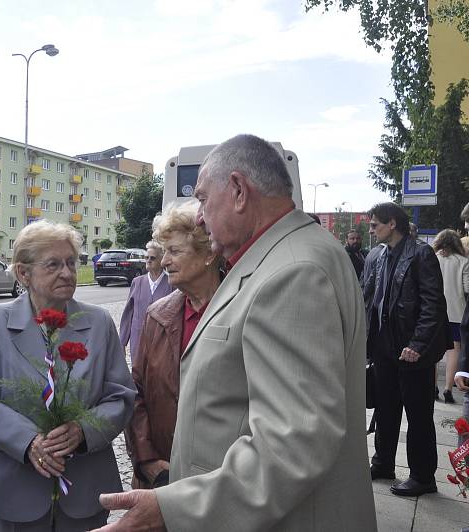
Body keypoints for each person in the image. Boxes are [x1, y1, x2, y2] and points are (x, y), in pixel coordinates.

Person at [94, 134, 376, 532]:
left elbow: (291, 444)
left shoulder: (291, 272)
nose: (198, 217)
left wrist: (176, 508)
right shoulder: (284, 255)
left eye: (204, 200)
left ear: (240, 191)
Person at [0, 219, 135, 532]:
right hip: (14, 489)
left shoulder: (98, 323)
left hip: (85, 490)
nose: (67, 273)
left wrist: (83, 431)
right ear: (23, 273)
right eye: (53, 264)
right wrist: (27, 442)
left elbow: (121, 396)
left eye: (71, 262)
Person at [124, 203, 221, 491]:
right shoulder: (158, 315)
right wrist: (146, 459)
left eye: (174, 251)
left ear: (209, 254)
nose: (164, 261)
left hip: (221, 478)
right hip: (161, 476)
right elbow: (136, 391)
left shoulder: (242, 309)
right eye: (163, 252)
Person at [363, 202, 451, 497]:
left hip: (412, 351)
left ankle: (423, 476)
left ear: (392, 224)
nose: (371, 230)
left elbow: (433, 305)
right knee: (385, 409)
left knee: (418, 414)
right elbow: (370, 301)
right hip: (384, 348)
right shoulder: (377, 255)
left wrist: (418, 344)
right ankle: (383, 462)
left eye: (375, 225)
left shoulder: (420, 253)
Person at [118, 240, 172, 364]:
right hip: (138, 341)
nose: (148, 260)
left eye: (152, 258)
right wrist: (122, 342)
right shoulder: (137, 282)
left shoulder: (171, 283)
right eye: (146, 257)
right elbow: (128, 314)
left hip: (162, 343)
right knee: (138, 377)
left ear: (162, 260)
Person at [432, 229, 469, 404]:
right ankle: (448, 389)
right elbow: (467, 288)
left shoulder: (432, 259)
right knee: (454, 350)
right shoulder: (464, 262)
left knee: (433, 350)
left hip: (435, 312)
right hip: (456, 312)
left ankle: (433, 387)